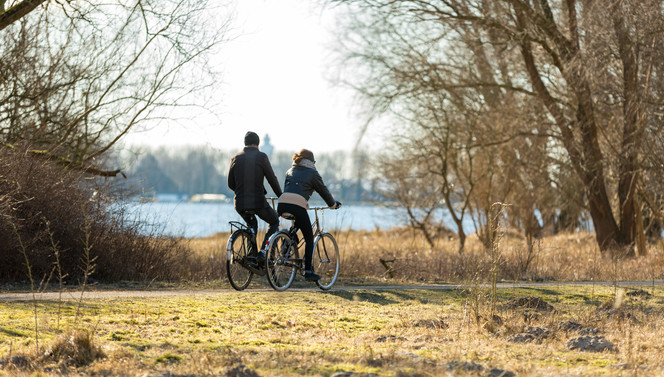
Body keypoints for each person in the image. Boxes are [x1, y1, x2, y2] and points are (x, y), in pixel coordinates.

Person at [277, 149, 341, 281]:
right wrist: (333, 204)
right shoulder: (313, 173)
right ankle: (308, 271)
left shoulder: (289, 171)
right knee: (309, 239)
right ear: (311, 161)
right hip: (298, 205)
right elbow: (324, 191)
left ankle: (286, 245)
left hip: (282, 204)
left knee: (296, 226)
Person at [228, 131, 282, 261]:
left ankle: (252, 256)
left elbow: (230, 183)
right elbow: (272, 179)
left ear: (245, 143)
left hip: (240, 203)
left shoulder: (235, 157)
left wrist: (242, 192)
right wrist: (281, 195)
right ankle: (263, 252)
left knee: (252, 225)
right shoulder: (261, 157)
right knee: (274, 221)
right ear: (257, 144)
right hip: (258, 202)